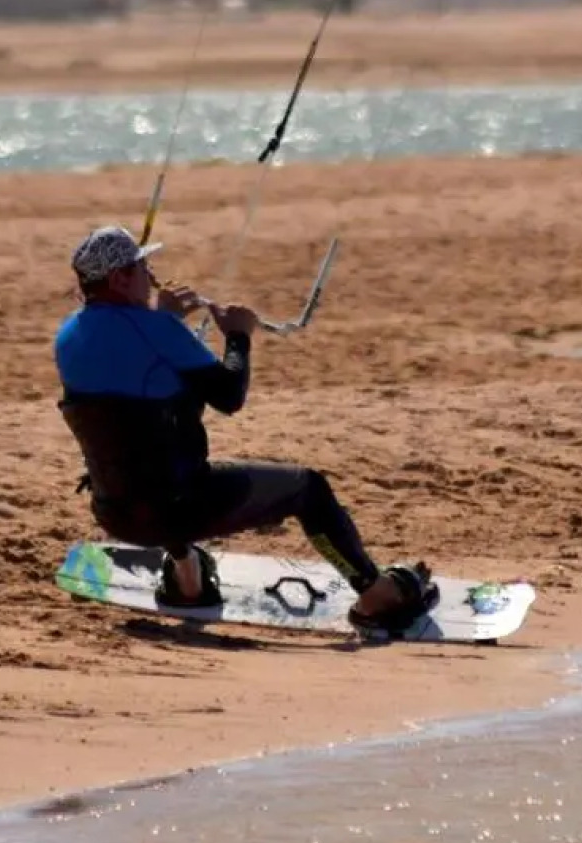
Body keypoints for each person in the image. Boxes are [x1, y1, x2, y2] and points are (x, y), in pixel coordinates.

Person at [52, 224, 437, 635]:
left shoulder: (68, 336)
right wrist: (238, 336)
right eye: (144, 267)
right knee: (307, 488)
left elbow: (143, 390)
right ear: (119, 278)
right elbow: (228, 396)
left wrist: (161, 322)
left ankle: (188, 580)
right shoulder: (157, 332)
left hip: (116, 512)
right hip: (179, 509)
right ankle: (377, 595)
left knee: (149, 463)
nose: (153, 276)